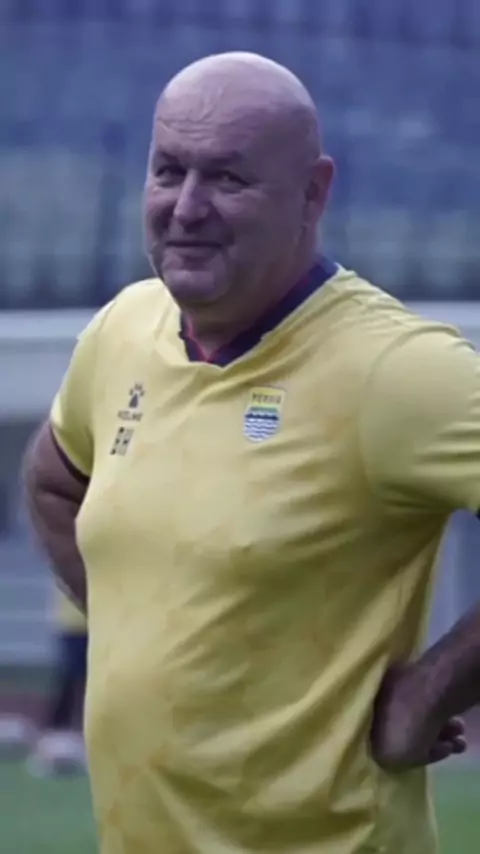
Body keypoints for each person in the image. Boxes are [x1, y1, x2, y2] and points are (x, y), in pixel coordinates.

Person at [22, 51, 480, 854]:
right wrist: (140, 635)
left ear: (313, 193)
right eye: (169, 171)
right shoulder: (123, 329)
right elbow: (54, 482)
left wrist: (428, 695)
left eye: (228, 178)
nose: (187, 207)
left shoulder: (396, 371)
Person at [28, 590, 87, 776]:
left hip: (96, 623)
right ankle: (53, 739)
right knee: (72, 680)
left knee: (82, 682)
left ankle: (73, 736)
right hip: (75, 623)